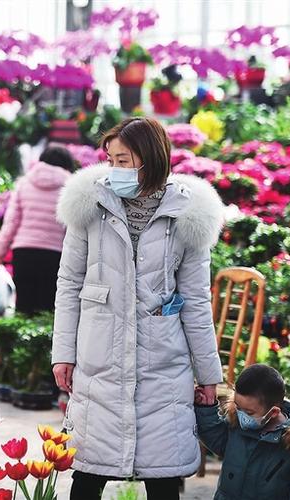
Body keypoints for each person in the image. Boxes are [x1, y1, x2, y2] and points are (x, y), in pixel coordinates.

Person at [52, 117, 225, 499]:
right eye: (111, 160)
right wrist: (62, 354)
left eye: (124, 161)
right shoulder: (89, 207)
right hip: (100, 358)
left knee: (163, 480)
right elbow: (68, 284)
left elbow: (196, 301)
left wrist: (208, 375)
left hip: (162, 363)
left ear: (151, 159)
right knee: (87, 474)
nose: (115, 169)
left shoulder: (187, 215)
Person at [195, 364, 290, 499]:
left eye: (249, 412)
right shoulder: (238, 424)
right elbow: (217, 438)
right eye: (237, 407)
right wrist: (205, 407)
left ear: (273, 412)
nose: (241, 415)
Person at [0, 146, 77, 315]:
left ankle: (20, 340)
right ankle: (41, 341)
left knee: (23, 305)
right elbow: (72, 227)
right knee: (48, 307)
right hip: (54, 254)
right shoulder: (70, 186)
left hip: (23, 252)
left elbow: (11, 223)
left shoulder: (24, 183)